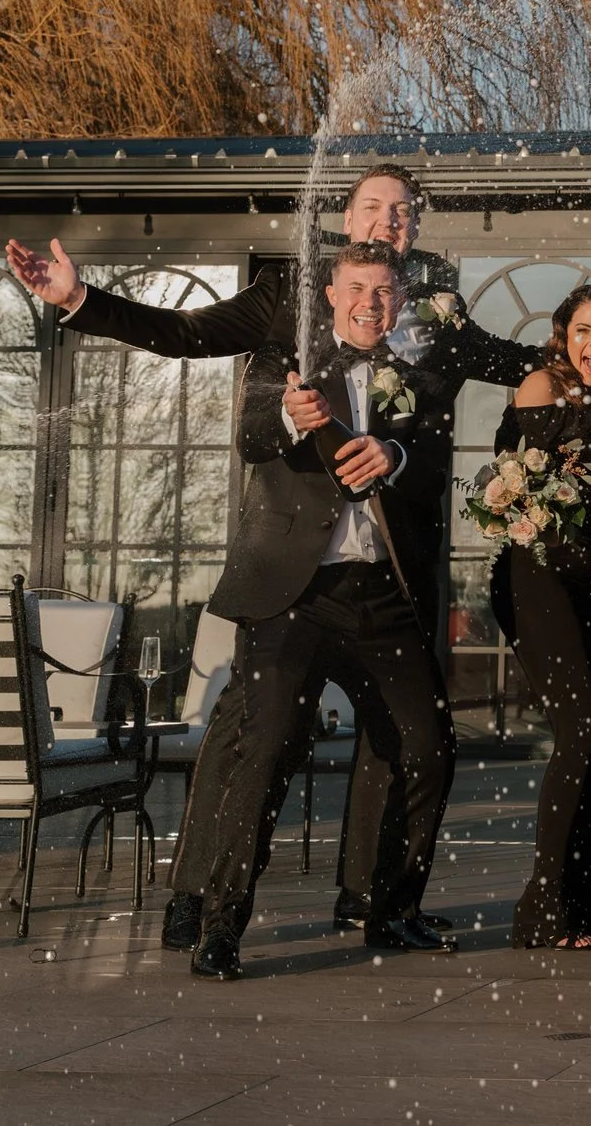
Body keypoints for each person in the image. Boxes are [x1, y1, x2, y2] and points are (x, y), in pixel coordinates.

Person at [4, 165, 539, 949]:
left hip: (391, 570)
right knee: (250, 735)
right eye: (371, 207)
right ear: (346, 219)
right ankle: (199, 893)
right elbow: (188, 337)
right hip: (288, 568)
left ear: (414, 228)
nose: (386, 222)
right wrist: (80, 301)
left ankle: (370, 897)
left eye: (401, 212)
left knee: (406, 740)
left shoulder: (432, 309)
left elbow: (511, 369)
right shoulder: (293, 292)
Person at [189, 242, 457, 980]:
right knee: (269, 743)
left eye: (385, 291)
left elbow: (432, 470)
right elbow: (250, 439)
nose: (372, 302)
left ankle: (391, 908)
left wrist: (396, 460)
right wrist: (286, 414)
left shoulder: (419, 375)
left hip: (379, 590)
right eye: (359, 289)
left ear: (398, 300)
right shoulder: (288, 363)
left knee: (429, 742)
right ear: (333, 296)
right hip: (294, 593)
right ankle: (220, 926)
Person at [495, 285, 591, 949]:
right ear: (562, 332)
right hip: (536, 574)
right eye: (584, 330)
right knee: (584, 727)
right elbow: (512, 490)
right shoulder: (538, 386)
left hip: (590, 573)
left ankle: (590, 905)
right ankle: (545, 907)